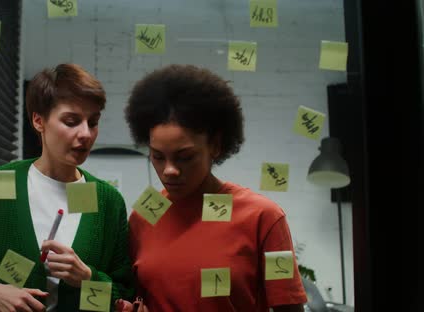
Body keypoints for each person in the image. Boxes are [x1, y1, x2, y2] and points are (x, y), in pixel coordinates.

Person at [0, 63, 133, 312]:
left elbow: (122, 296)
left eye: (93, 122)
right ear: (39, 120)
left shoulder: (107, 200)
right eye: (71, 121)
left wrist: (88, 279)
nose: (86, 134)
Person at [116, 64, 307, 312]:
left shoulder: (262, 217)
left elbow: (289, 308)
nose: (169, 170)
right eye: (158, 156)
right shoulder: (145, 214)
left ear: (215, 146)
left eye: (185, 156)